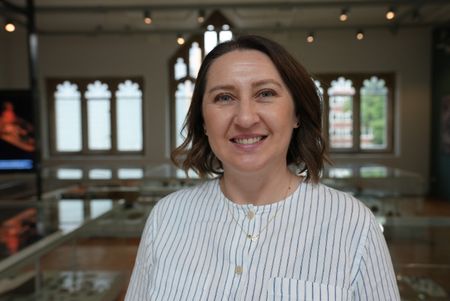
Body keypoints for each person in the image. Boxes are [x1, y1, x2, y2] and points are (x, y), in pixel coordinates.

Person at [125, 35, 400, 300]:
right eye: (224, 97)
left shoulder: (353, 223)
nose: (245, 118)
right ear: (204, 121)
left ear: (297, 114)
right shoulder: (167, 217)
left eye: (265, 93)